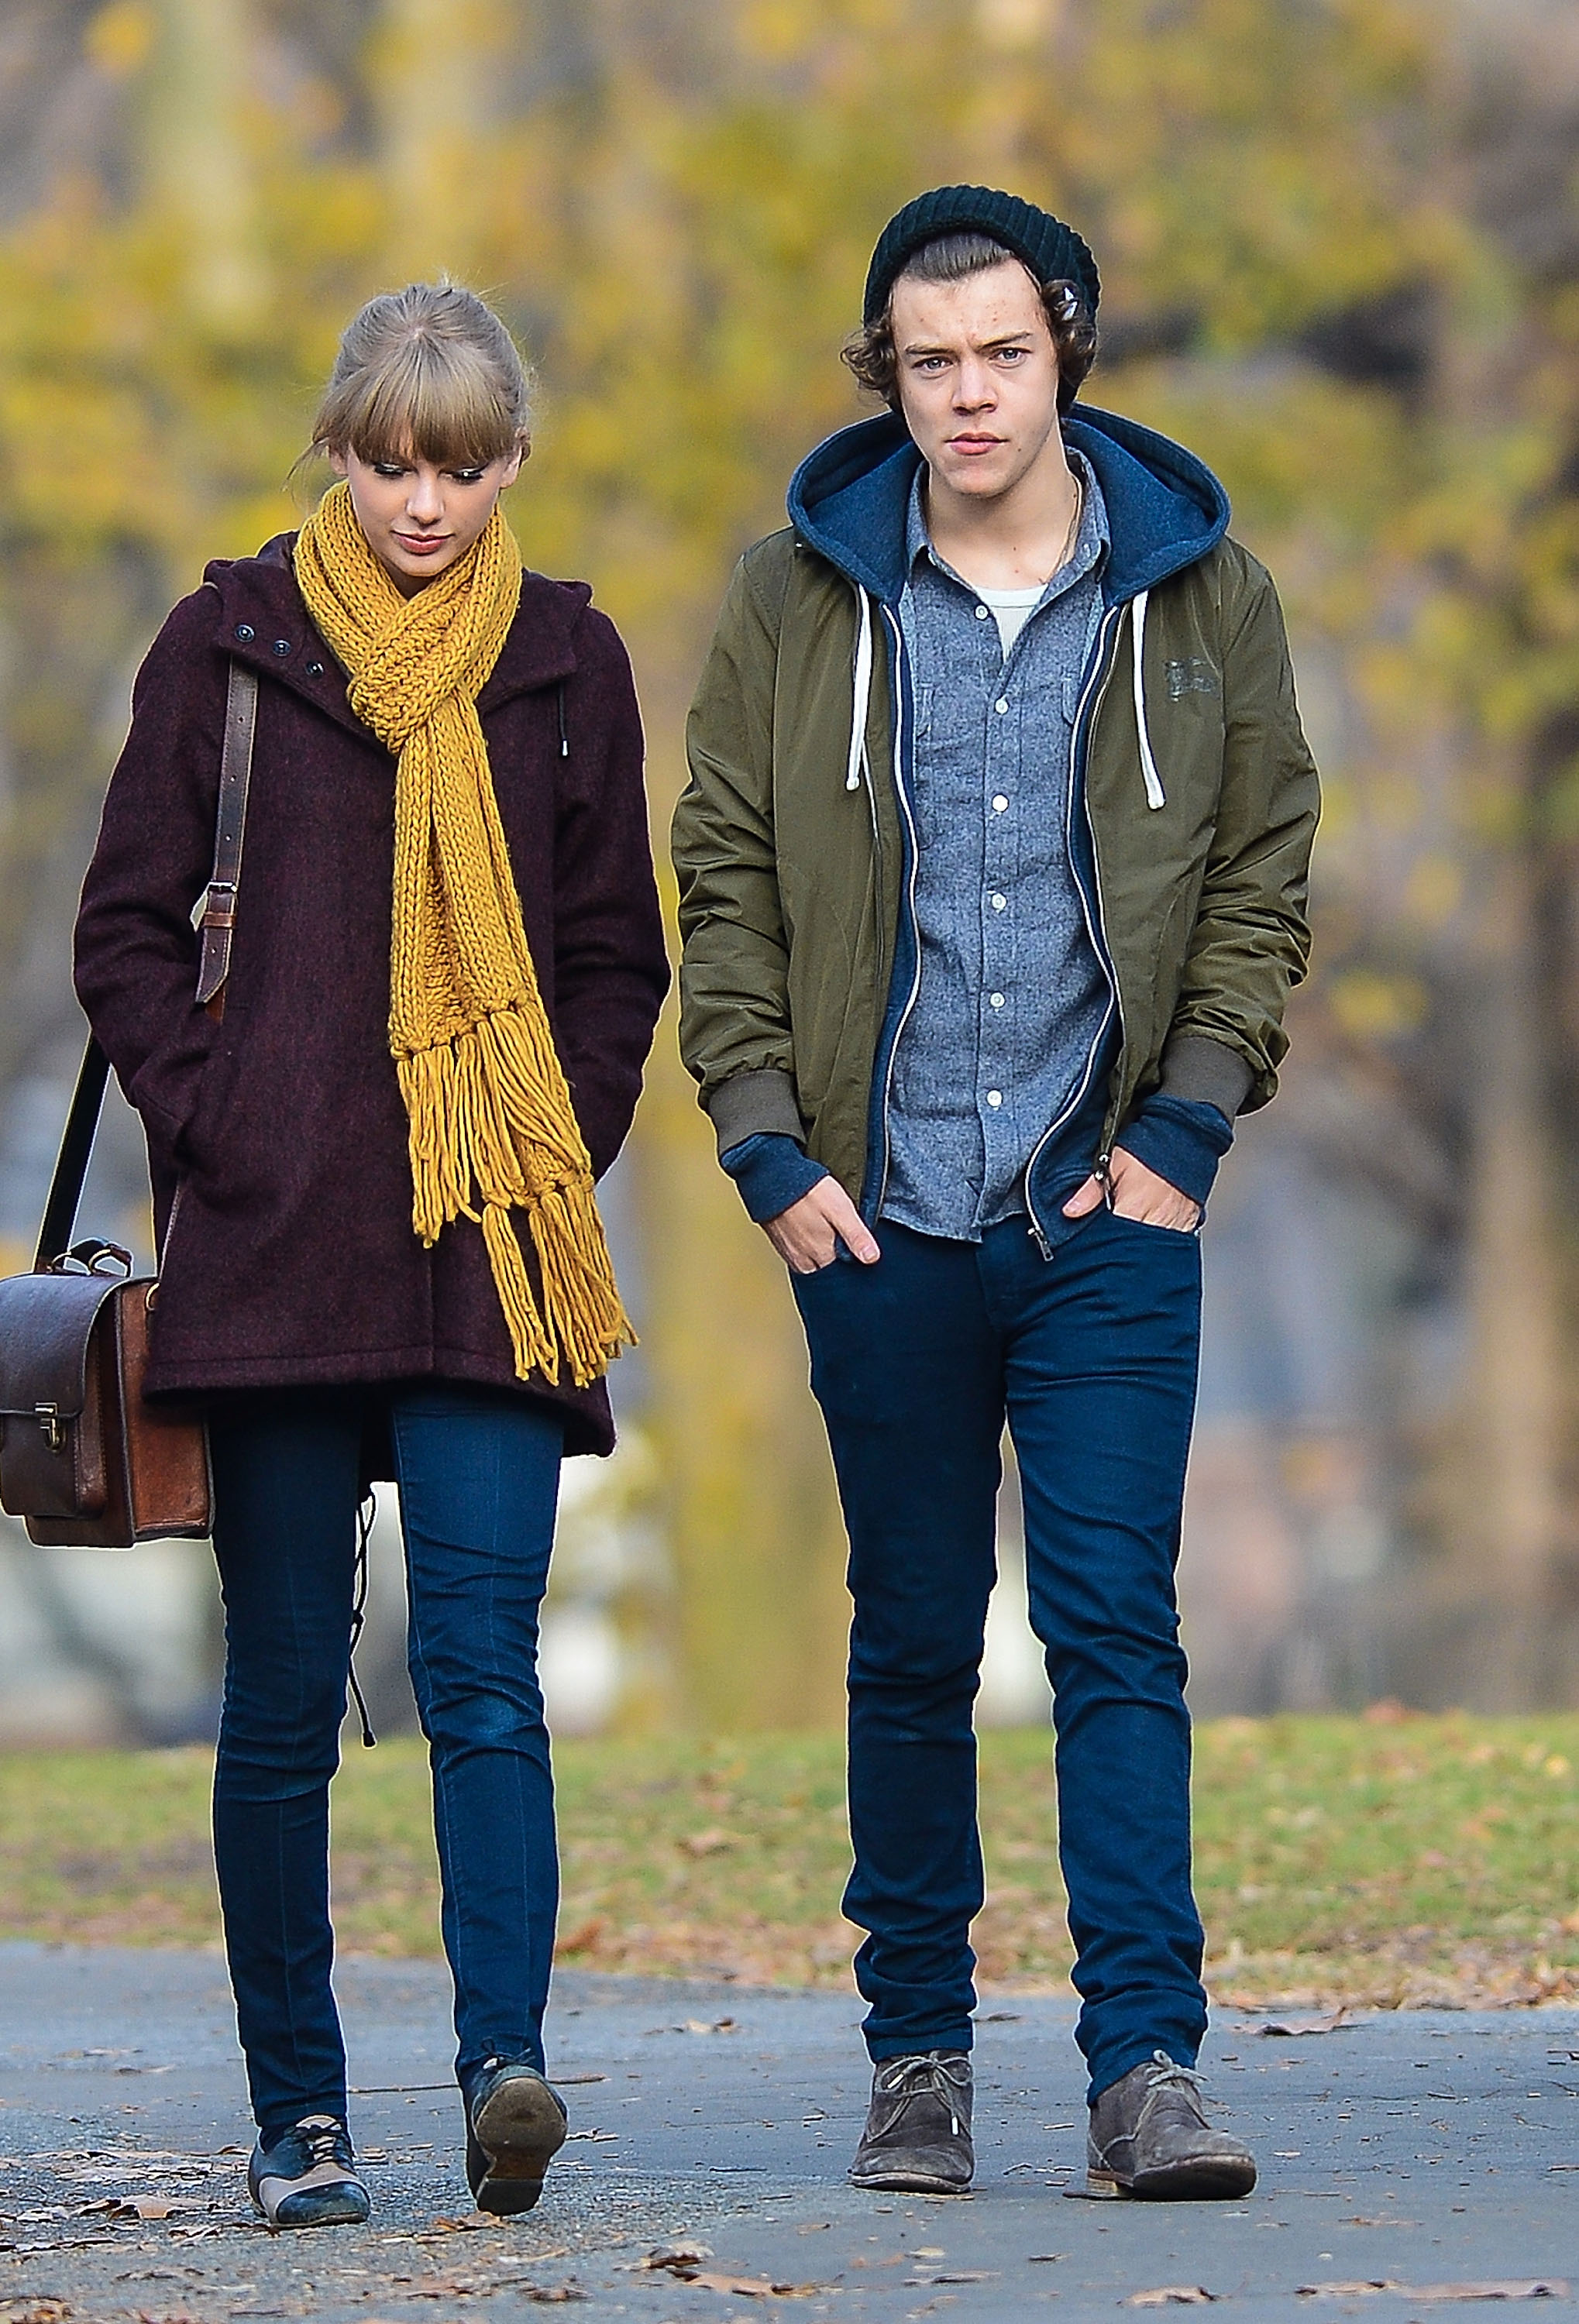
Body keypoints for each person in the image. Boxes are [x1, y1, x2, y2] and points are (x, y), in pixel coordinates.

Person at [673, 186, 1318, 2201]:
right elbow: (721, 877)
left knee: (1116, 1625)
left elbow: (1256, 876)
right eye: (926, 361)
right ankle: (917, 2063)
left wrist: (1185, 1127)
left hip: (1101, 1214)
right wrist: (768, 1143)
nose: (963, 395)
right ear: (888, 374)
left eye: (997, 357)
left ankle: (1145, 2072)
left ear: (1063, 358)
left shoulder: (1196, 600)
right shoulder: (795, 603)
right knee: (907, 1638)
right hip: (874, 1215)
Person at [75, 283, 669, 2228]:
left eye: (465, 463)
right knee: (283, 1697)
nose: (426, 500)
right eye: (393, 459)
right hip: (273, 1243)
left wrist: (545, 1135)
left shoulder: (567, 658)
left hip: (486, 1247)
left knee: (485, 1678)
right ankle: (299, 2119)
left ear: (511, 461)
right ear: (340, 447)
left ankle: (506, 2070)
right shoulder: (225, 643)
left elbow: (609, 954)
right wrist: (226, 1126)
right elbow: (126, 932)